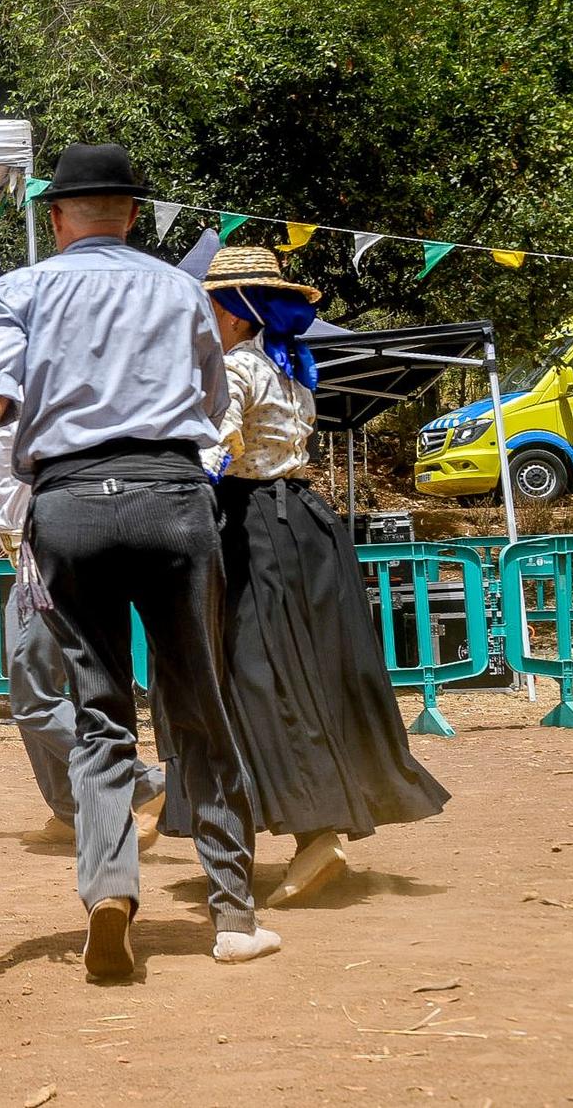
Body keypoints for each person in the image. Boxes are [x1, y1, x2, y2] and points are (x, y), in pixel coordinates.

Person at [0, 143, 280, 979]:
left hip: (69, 505)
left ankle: (110, 892)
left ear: (56, 218)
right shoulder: (185, 293)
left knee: (99, 710)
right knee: (199, 701)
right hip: (173, 499)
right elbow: (212, 402)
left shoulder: (18, 289)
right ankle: (232, 914)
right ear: (130, 212)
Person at [196, 246, 449, 904]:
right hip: (310, 523)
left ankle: (315, 832)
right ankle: (313, 826)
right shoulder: (291, 367)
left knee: (259, 675)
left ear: (231, 311)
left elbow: (216, 447)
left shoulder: (237, 365)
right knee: (316, 676)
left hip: (259, 530)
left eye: (209, 303)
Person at [0, 413, 166, 847]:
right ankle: (70, 809)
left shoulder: (26, 430)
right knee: (29, 694)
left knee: (33, 697)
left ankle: (145, 785)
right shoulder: (26, 430)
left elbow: (2, 514)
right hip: (32, 567)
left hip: (49, 565)